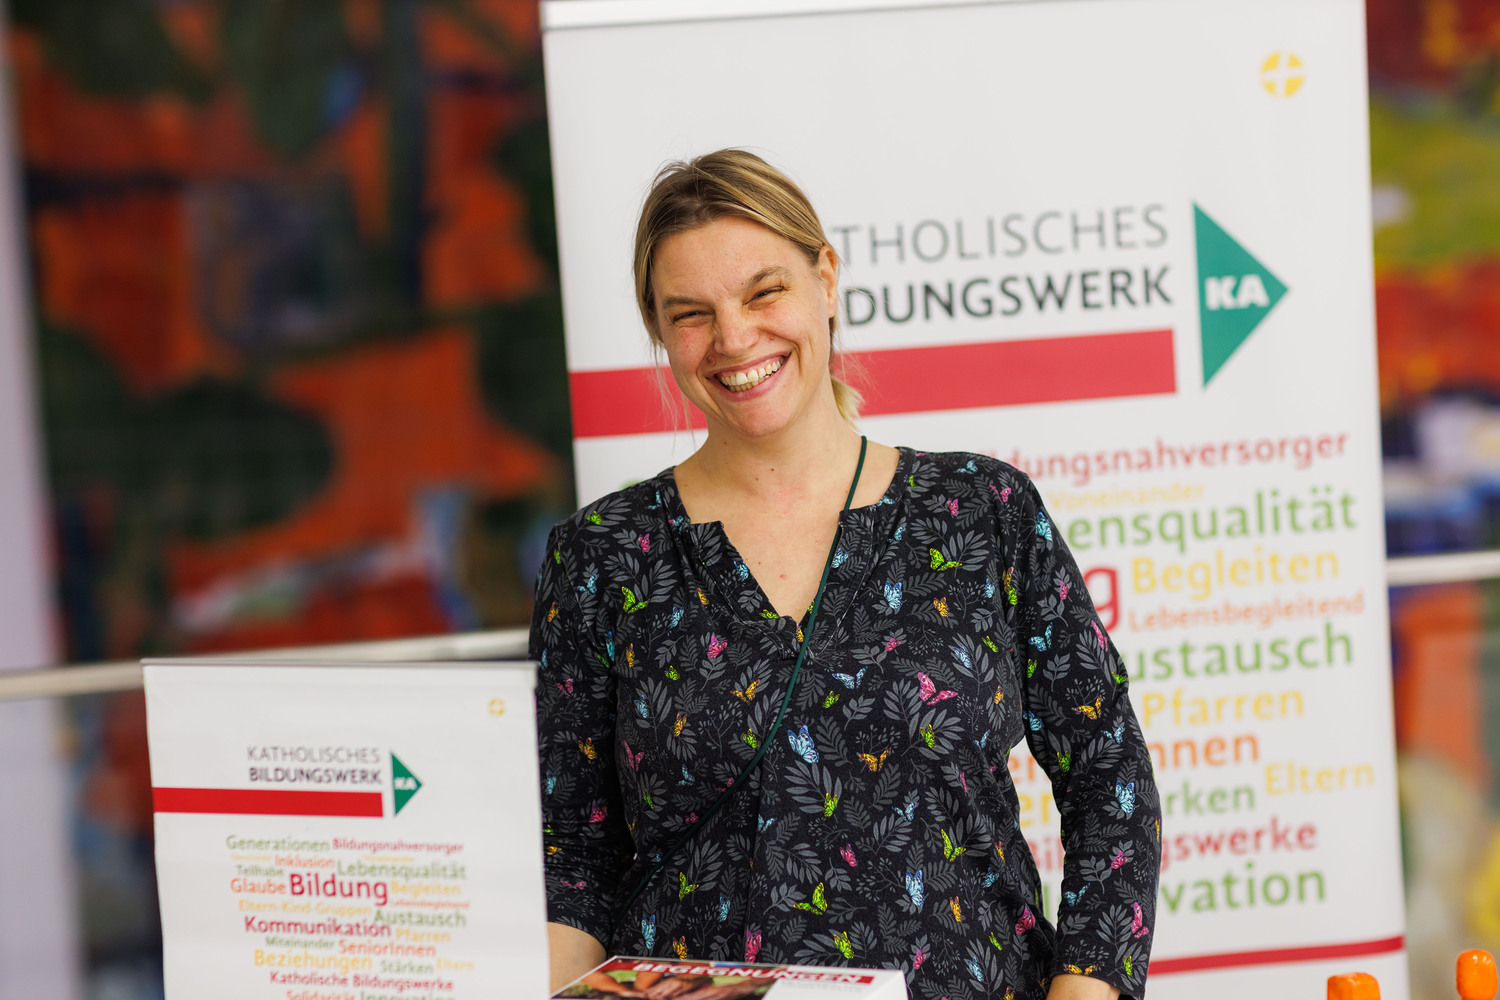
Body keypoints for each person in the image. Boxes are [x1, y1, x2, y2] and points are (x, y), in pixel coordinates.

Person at [531, 149, 1160, 1000]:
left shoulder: (981, 511)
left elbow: (1109, 779)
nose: (734, 339)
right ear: (659, 331)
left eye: (764, 292)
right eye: (692, 314)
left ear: (825, 280)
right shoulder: (602, 556)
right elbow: (572, 857)